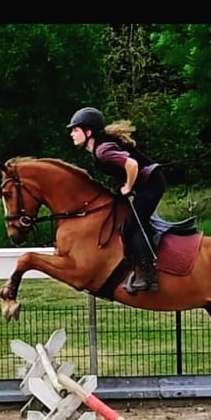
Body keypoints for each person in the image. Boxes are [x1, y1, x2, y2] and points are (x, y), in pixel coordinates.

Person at [67, 106, 165, 293]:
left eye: (75, 129)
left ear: (88, 132)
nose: (72, 133)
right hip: (147, 183)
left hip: (151, 184)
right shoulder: (99, 148)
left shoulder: (102, 150)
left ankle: (149, 276)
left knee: (131, 225)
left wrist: (128, 186)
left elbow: (131, 164)